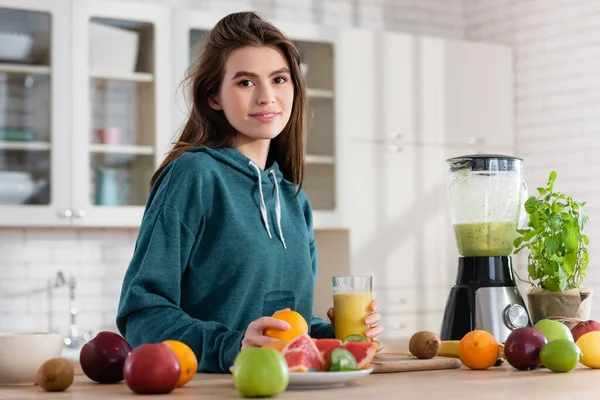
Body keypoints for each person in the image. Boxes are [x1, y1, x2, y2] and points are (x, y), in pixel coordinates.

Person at [116, 11, 383, 373]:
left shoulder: (294, 200)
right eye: (245, 82)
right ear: (214, 96)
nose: (267, 96)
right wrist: (232, 346)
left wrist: (335, 335)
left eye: (279, 79)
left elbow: (288, 327)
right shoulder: (194, 175)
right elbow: (141, 316)